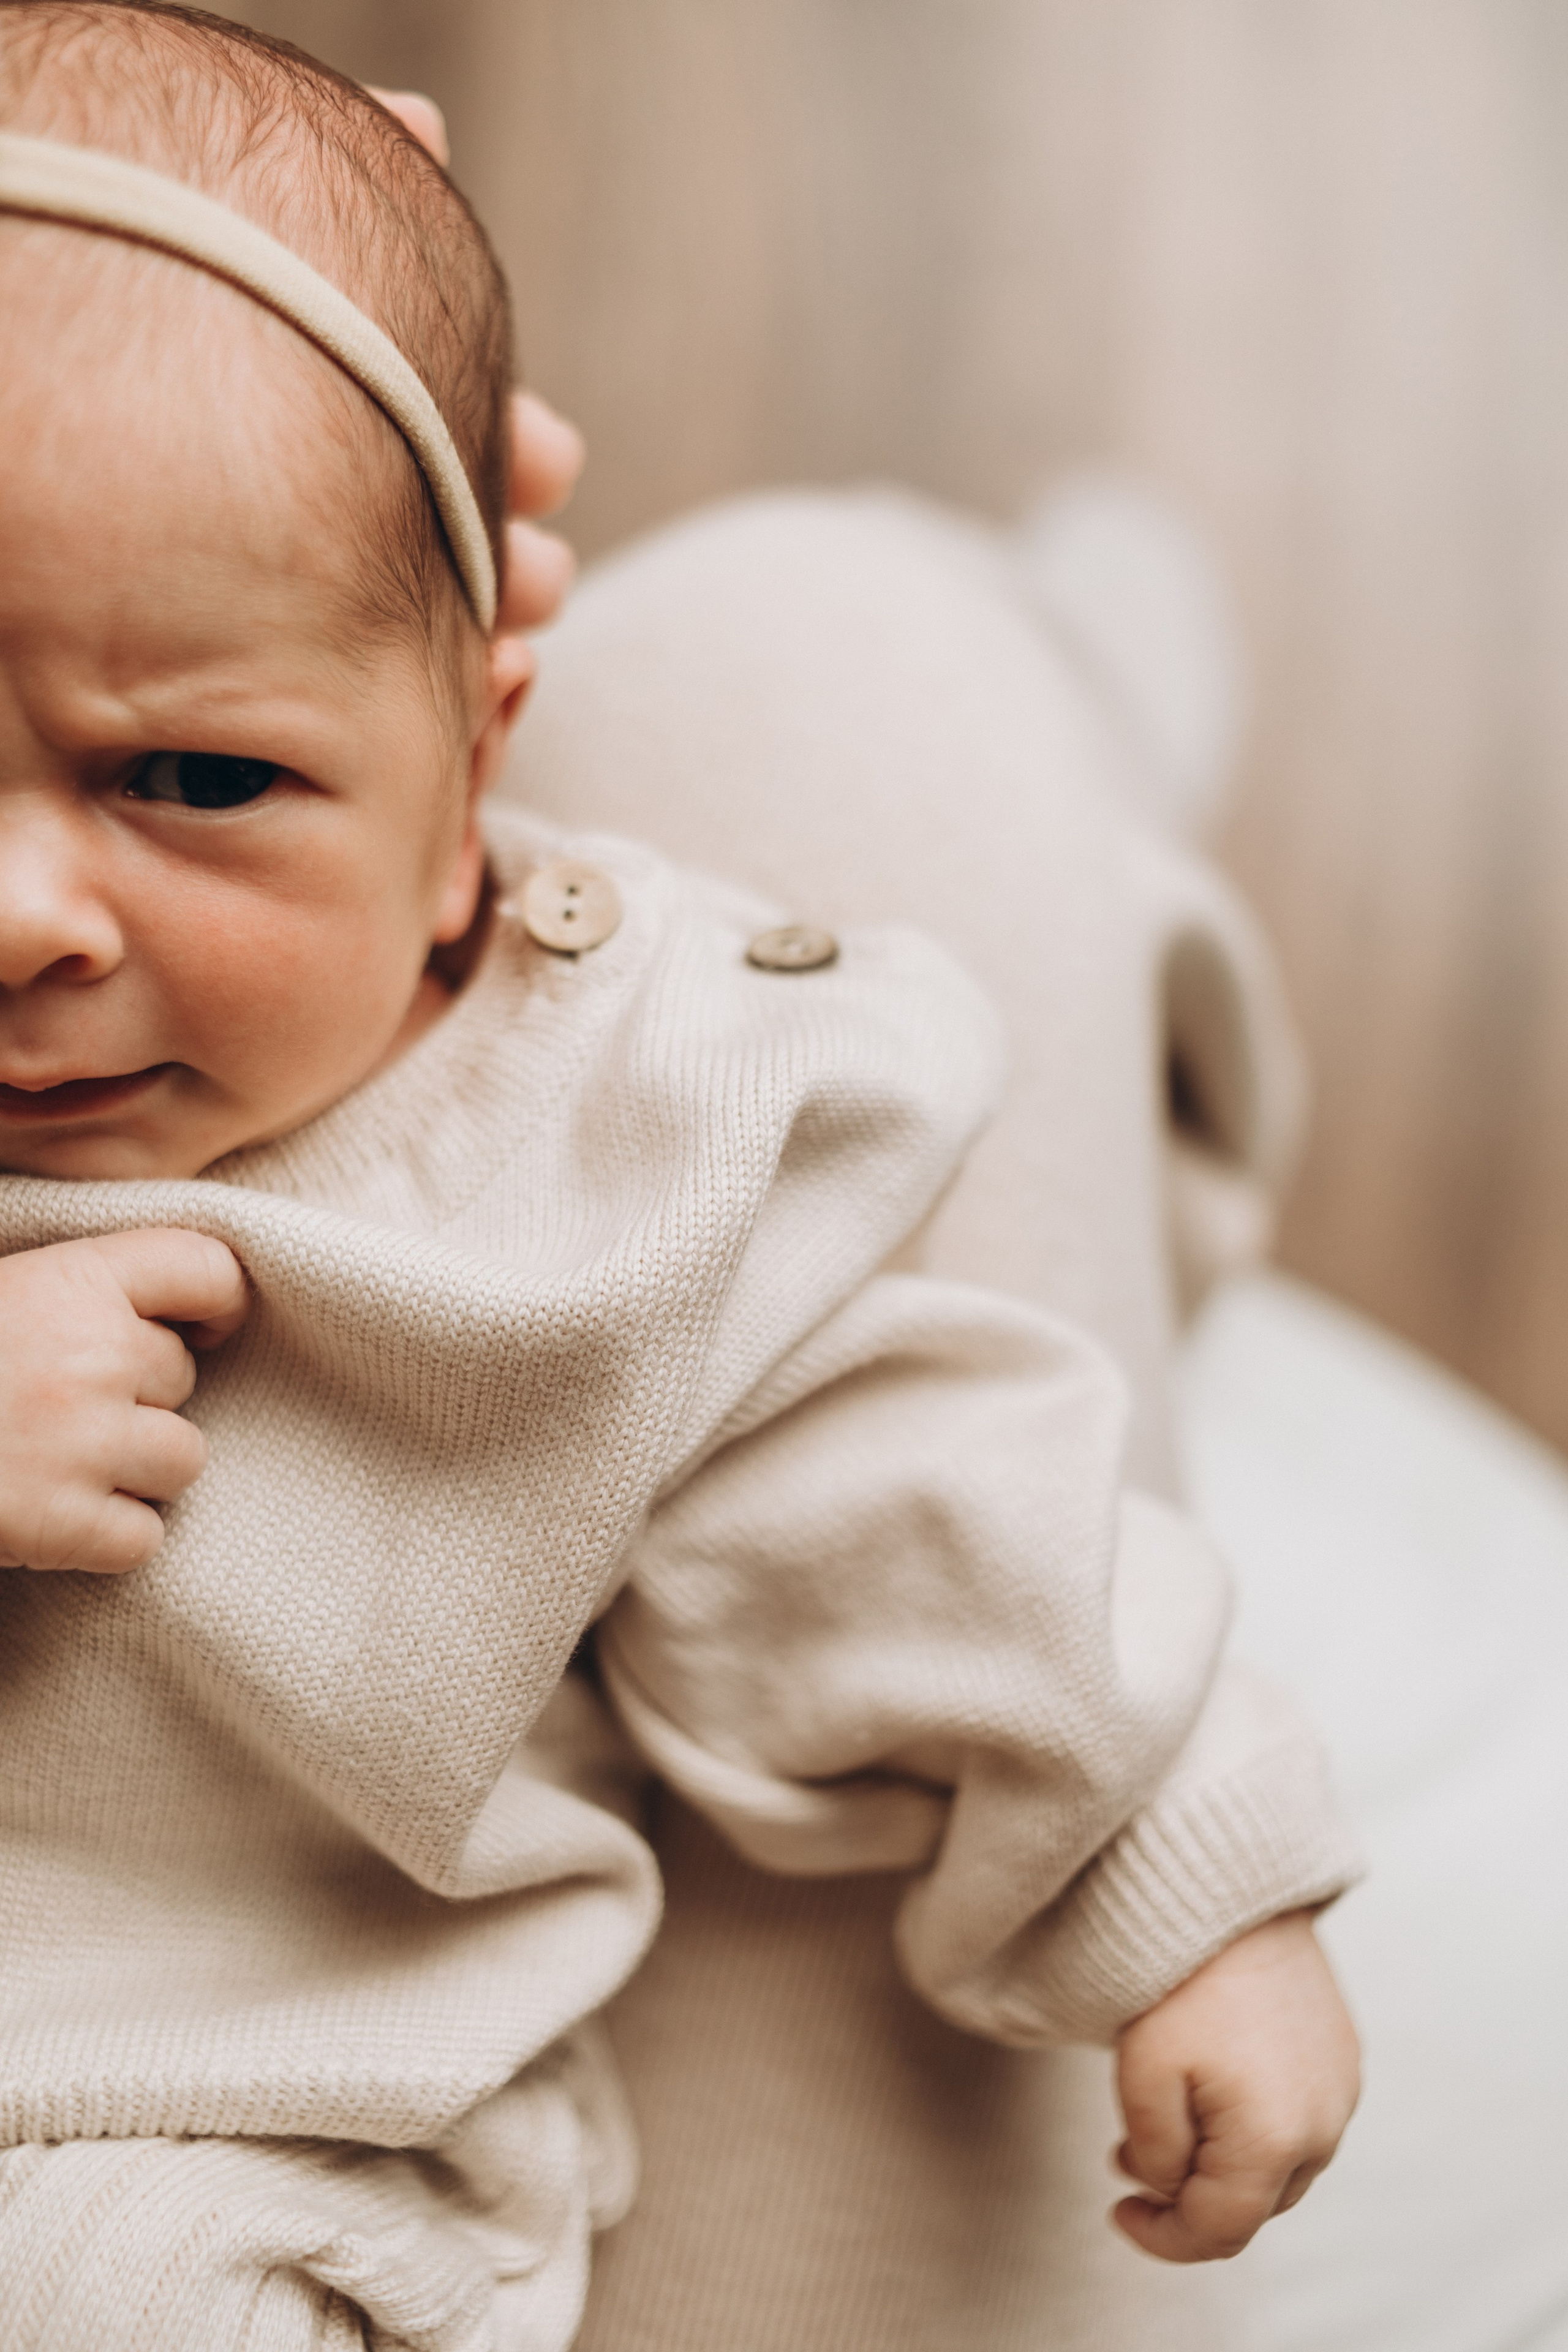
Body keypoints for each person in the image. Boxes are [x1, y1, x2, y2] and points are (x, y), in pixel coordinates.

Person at [0, 7, 1360, 2347]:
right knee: (856, 650)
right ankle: (1076, 729)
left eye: (200, 778)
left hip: (213, 2166)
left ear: (466, 798)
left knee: (849, 657)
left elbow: (919, 1497)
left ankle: (1069, 724)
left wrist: (1193, 1887)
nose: (27, 915)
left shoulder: (606, 1147)